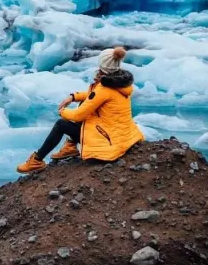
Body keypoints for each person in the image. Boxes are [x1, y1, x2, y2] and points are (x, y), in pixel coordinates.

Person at [17, 46, 144, 174]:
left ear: (102, 65)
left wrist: (62, 111)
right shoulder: (119, 83)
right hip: (121, 135)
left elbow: (78, 115)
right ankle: (71, 146)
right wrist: (74, 97)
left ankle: (36, 161)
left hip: (108, 141)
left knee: (61, 124)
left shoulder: (104, 89)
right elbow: (93, 97)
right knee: (84, 103)